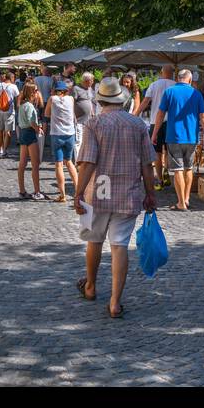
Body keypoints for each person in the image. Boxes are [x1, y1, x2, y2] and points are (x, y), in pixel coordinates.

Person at [74, 76, 157, 318]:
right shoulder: (138, 124)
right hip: (128, 192)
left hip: (99, 190)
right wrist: (150, 193)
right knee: (119, 245)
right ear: (122, 100)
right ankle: (115, 302)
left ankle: (90, 286)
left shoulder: (94, 124)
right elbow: (147, 165)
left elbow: (87, 163)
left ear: (99, 100)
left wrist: (78, 193)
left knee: (95, 240)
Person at [152, 69, 204, 211]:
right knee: (188, 168)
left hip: (174, 136)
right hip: (191, 138)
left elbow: (160, 114)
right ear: (189, 80)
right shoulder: (196, 93)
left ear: (178, 78)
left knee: (178, 170)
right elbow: (203, 117)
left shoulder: (170, 92)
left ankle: (181, 203)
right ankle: (187, 198)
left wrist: (154, 133)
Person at [140, 63, 177, 187]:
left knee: (157, 152)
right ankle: (166, 170)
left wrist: (134, 114)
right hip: (171, 122)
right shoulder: (176, 85)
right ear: (172, 73)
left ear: (161, 73)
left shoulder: (154, 85)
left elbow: (145, 102)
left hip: (155, 122)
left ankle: (159, 179)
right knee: (168, 150)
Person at [44, 79, 79, 203]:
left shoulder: (52, 99)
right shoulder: (71, 99)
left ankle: (62, 195)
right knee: (69, 162)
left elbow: (47, 114)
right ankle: (78, 192)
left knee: (59, 164)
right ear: (66, 90)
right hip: (70, 134)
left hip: (57, 134)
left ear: (55, 90)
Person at [16, 81, 45, 200]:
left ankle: (22, 190)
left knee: (22, 164)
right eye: (36, 90)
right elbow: (31, 122)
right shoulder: (29, 105)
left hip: (23, 133)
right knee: (35, 164)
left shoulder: (22, 105)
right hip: (29, 133)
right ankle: (37, 191)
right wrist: (38, 129)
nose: (38, 93)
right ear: (32, 92)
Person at [72, 72, 98, 157]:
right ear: (86, 81)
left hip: (88, 120)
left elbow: (89, 102)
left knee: (87, 140)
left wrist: (93, 113)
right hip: (79, 120)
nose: (93, 82)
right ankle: (77, 162)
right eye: (91, 80)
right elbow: (72, 102)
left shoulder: (89, 89)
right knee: (78, 141)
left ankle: (84, 159)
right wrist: (73, 116)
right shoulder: (76, 88)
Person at [0, 71, 19, 158]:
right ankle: (5, 150)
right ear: (12, 78)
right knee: (7, 131)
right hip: (9, 110)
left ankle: (0, 149)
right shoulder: (14, 86)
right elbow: (17, 97)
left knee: (0, 131)